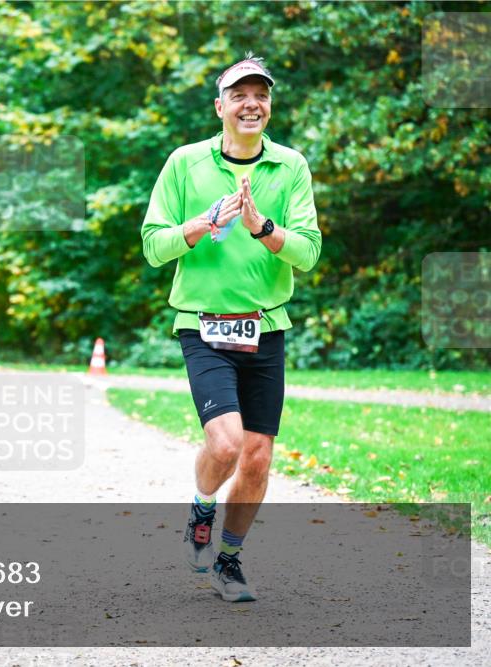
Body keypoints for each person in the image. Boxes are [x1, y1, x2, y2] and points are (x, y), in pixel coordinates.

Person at [140, 54, 322, 602]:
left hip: (266, 326)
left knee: (259, 456)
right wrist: (203, 223)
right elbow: (153, 246)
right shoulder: (184, 163)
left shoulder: (290, 167)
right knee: (226, 444)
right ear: (219, 106)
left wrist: (262, 227)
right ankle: (201, 507)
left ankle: (229, 560)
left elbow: (309, 253)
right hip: (204, 325)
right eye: (238, 95)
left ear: (269, 106)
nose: (251, 104)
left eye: (260, 95)